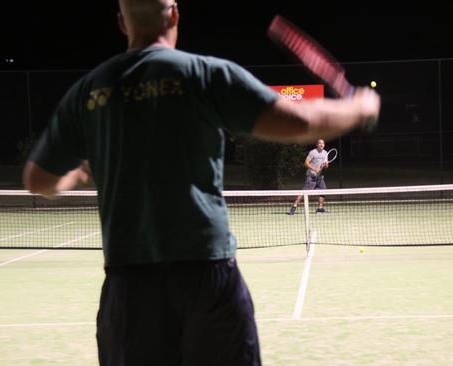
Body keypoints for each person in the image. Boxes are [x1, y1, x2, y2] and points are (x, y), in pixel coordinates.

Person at [22, 0, 380, 365]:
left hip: (130, 286)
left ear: (121, 23)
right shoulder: (203, 73)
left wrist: (78, 174)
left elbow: (38, 181)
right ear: (175, 14)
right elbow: (299, 122)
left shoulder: (88, 91)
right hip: (206, 276)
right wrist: (359, 108)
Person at [288, 138, 329, 215]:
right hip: (311, 177)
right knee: (304, 193)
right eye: (320, 143)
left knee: (324, 191)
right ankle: (294, 207)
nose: (321, 145)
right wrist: (314, 169)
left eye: (323, 143)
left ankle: (320, 209)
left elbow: (326, 165)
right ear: (317, 145)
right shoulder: (312, 152)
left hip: (319, 177)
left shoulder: (325, 153)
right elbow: (306, 163)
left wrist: (326, 165)